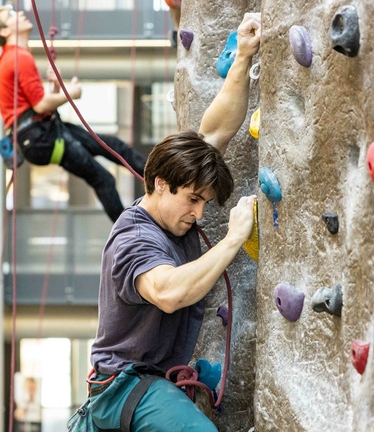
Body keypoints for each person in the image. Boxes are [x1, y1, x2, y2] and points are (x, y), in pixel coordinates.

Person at [85, 13, 261, 432]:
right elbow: (167, 292)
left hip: (152, 384)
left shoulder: (175, 196)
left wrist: (243, 57)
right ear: (160, 184)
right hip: (121, 388)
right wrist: (235, 237)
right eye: (193, 200)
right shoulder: (134, 238)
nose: (199, 213)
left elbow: (216, 129)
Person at [0, 5, 148, 222]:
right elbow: (41, 105)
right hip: (40, 136)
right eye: (12, 15)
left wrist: (54, 88)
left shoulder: (16, 57)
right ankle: (130, 233)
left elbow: (37, 106)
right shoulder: (17, 57)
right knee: (103, 179)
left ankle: (158, 176)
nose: (20, 14)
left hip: (40, 133)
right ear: (5, 31)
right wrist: (71, 93)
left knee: (113, 147)